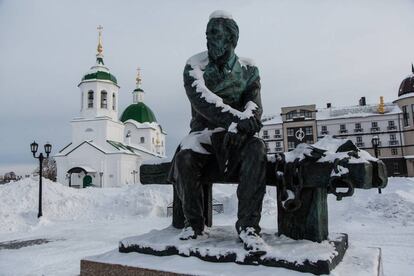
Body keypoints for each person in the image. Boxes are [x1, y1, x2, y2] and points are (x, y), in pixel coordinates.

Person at [168, 10, 267, 253]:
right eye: (207, 34)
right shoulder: (194, 66)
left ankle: (248, 227)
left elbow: (254, 106)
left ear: (232, 39)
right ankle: (194, 225)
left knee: (257, 149)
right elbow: (204, 103)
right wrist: (238, 120)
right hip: (204, 135)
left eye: (215, 34)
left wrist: (244, 126)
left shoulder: (249, 70)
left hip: (239, 138)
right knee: (185, 158)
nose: (209, 39)